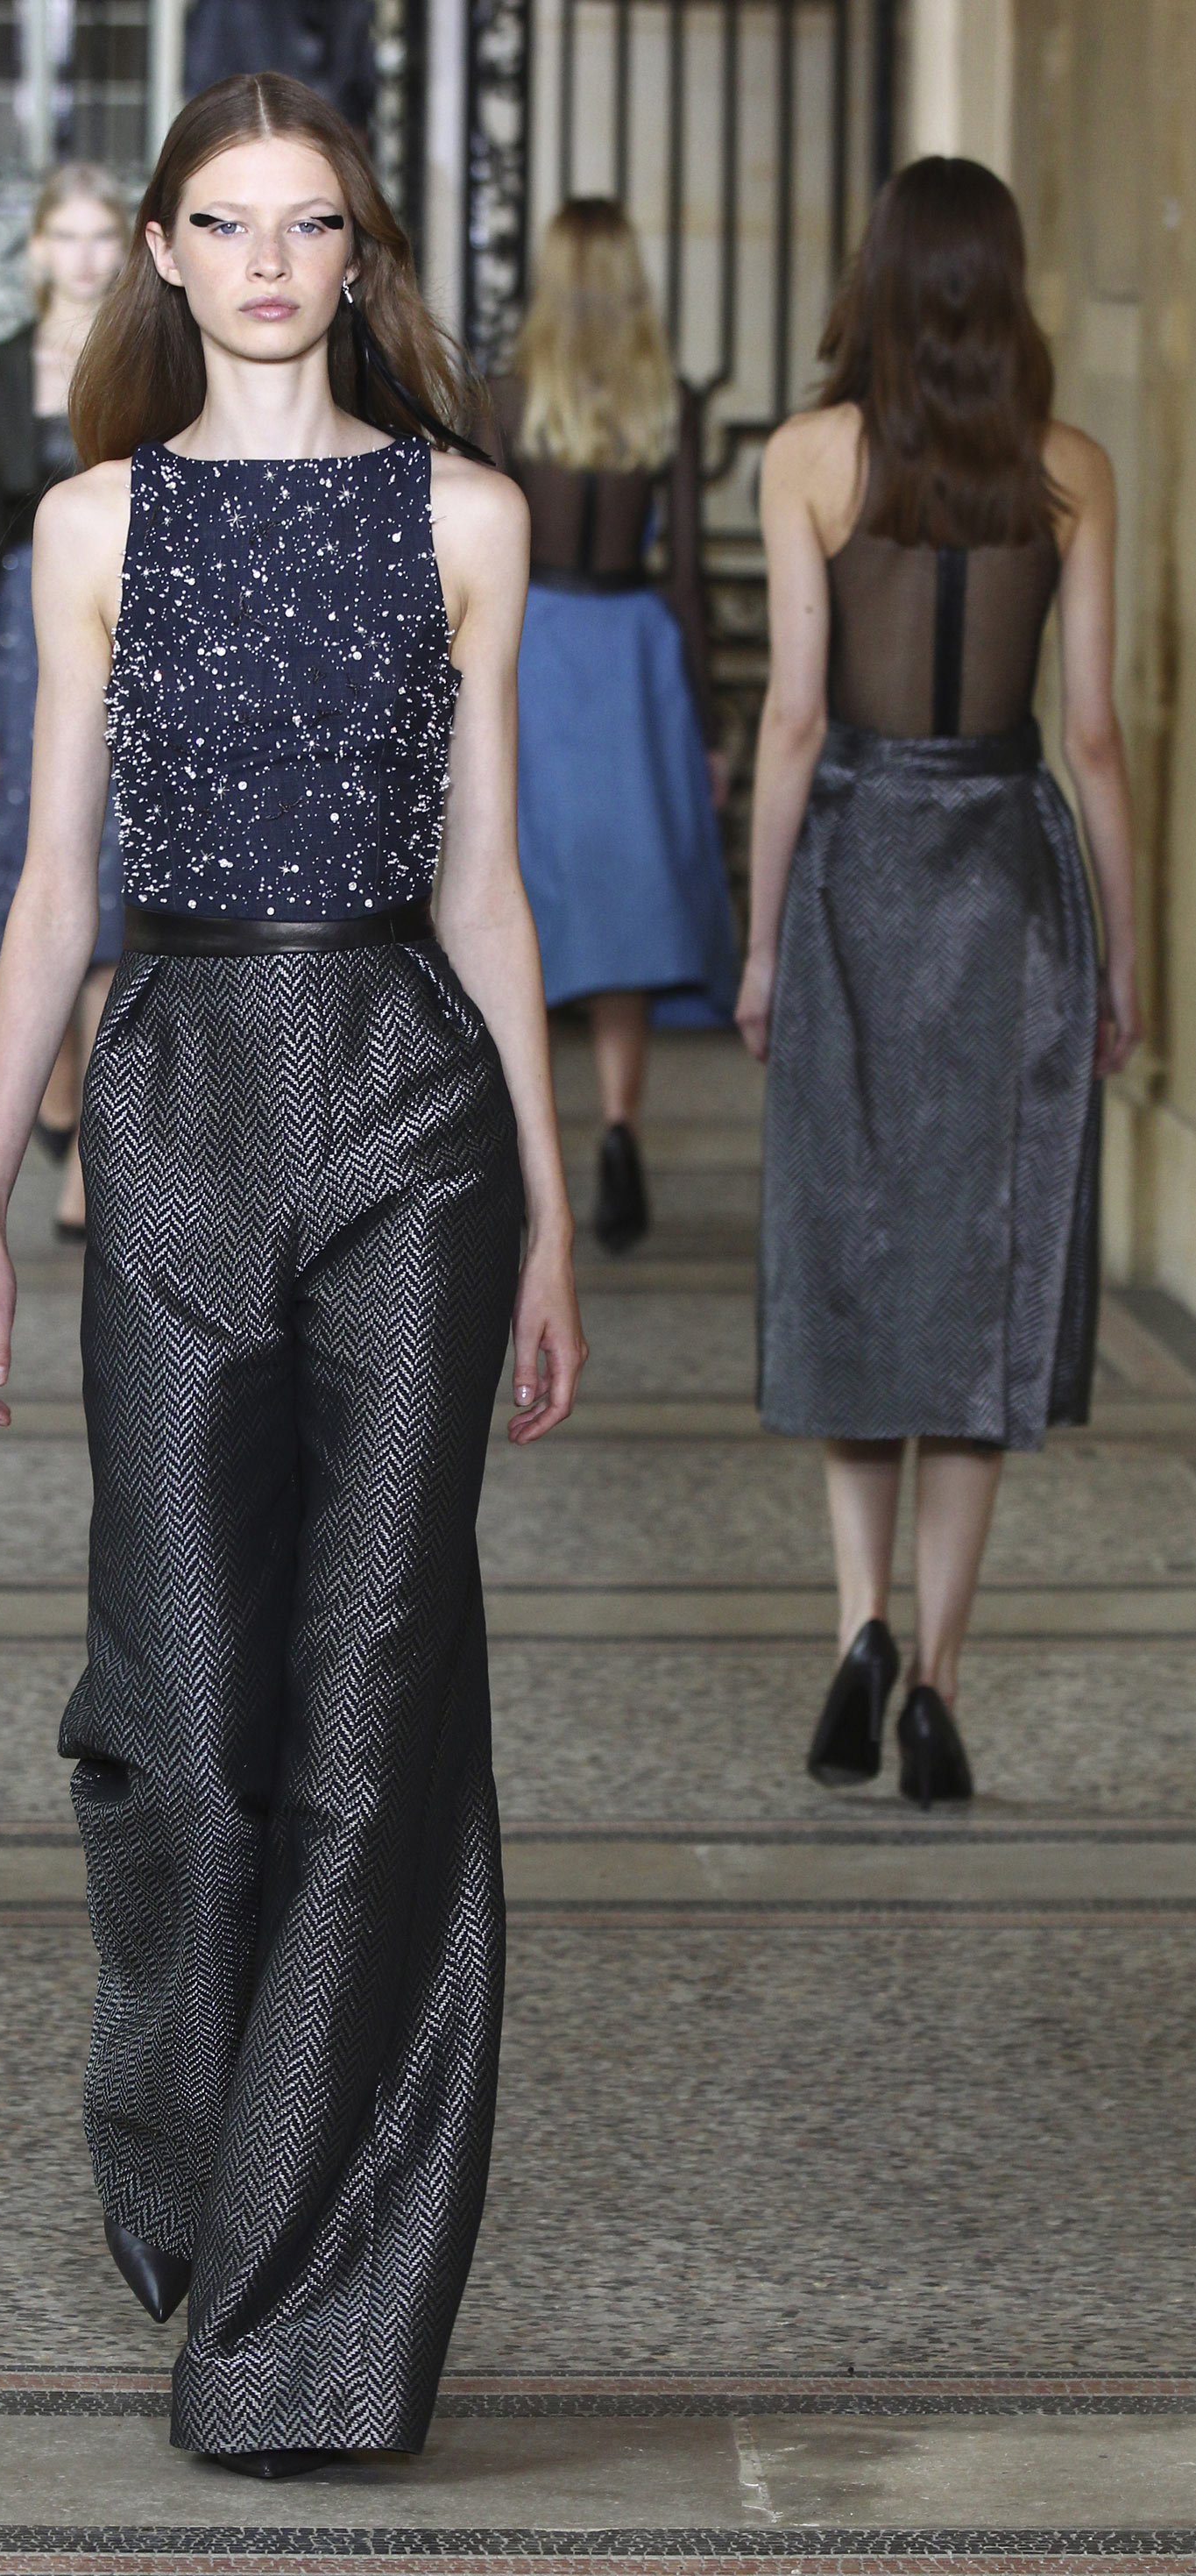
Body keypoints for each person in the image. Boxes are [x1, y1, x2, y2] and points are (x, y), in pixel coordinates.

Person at [0, 71, 585, 2475]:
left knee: (377, 1689)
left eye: (313, 223)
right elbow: (54, 894)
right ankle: (195, 2144)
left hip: (409, 1106)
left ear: (358, 254)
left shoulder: (470, 520)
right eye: (228, 222)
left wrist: (545, 1216)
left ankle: (315, 2317)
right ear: (165, 254)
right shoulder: (93, 523)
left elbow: (491, 888)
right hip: (178, 1102)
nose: (273, 262)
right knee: (191, 1694)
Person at [742, 158, 1141, 1806]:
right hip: (1005, 880)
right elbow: (1094, 737)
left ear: (879, 278)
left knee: (855, 1256)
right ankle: (936, 1680)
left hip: (854, 867)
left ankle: (855, 1625)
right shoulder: (1069, 469)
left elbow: (790, 718)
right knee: (979, 1282)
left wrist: (759, 941)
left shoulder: (805, 458)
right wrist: (1123, 956)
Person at [490, 200, 735, 1253]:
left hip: (536, 646)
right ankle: (621, 1126)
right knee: (626, 905)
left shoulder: (505, 396)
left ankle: (522, 1146)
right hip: (632, 654)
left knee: (520, 895)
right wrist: (710, 723)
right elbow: (686, 577)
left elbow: (479, 548)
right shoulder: (663, 400)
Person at [0, 164, 127, 1239]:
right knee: (35, 881)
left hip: (129, 630)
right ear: (39, 248)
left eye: (104, 235)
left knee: (108, 897)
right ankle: (54, 1084)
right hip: (19, 643)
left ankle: (88, 1164)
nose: (86, 256)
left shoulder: (152, 363)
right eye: (69, 236)